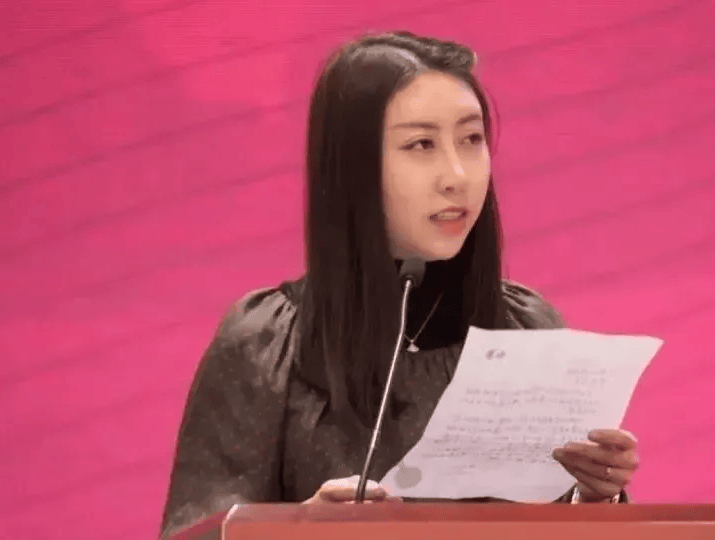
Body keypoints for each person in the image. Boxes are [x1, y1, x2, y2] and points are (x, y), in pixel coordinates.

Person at [159, 31, 640, 538]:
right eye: (422, 145)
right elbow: (198, 531)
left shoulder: (526, 328)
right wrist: (299, 529)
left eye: (471, 139)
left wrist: (593, 497)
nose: (457, 175)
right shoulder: (265, 343)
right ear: (353, 168)